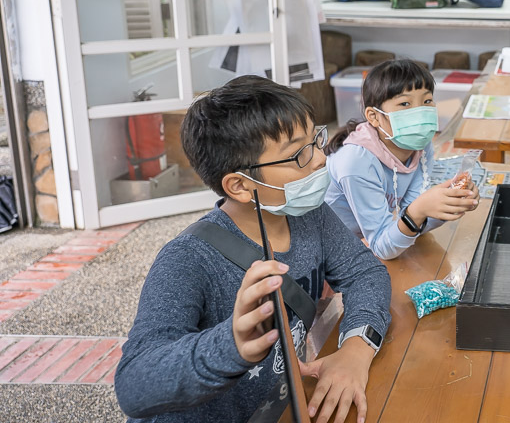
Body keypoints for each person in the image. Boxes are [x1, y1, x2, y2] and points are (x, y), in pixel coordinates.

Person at [115, 76, 392, 423]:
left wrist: (356, 348)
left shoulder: (309, 215)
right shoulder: (187, 259)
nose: (321, 159)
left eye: (315, 141)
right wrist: (229, 345)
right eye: (298, 154)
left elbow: (365, 272)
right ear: (241, 186)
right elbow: (133, 384)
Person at [323, 59, 479, 260]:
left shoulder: (421, 146)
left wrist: (448, 204)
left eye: (427, 101)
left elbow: (409, 219)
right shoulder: (356, 162)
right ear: (374, 116)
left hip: (367, 240)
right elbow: (382, 246)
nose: (419, 111)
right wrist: (419, 210)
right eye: (405, 103)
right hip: (331, 251)